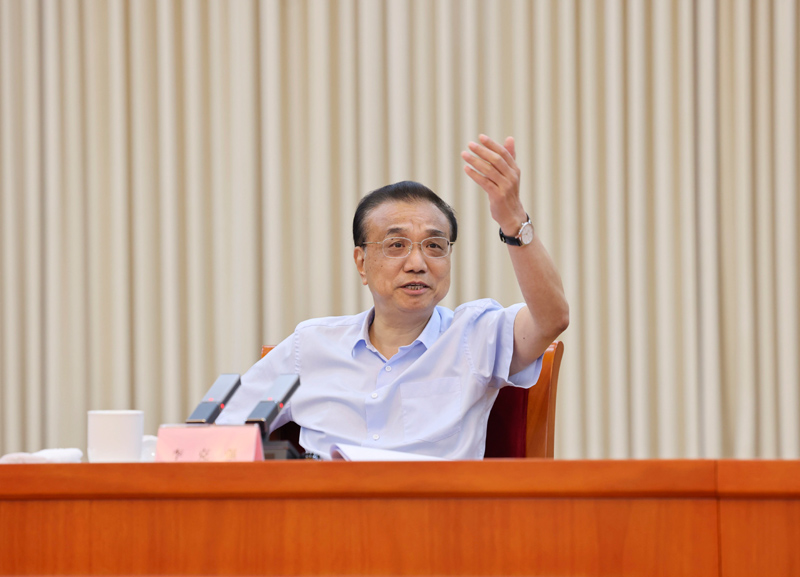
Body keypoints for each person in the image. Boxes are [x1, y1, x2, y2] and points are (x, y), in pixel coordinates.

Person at [217, 135, 569, 459]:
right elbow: (219, 435)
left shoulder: (476, 335)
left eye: (434, 246)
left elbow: (552, 319)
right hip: (327, 506)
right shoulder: (309, 346)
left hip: (434, 506)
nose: (417, 263)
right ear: (361, 263)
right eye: (396, 245)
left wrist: (513, 220)